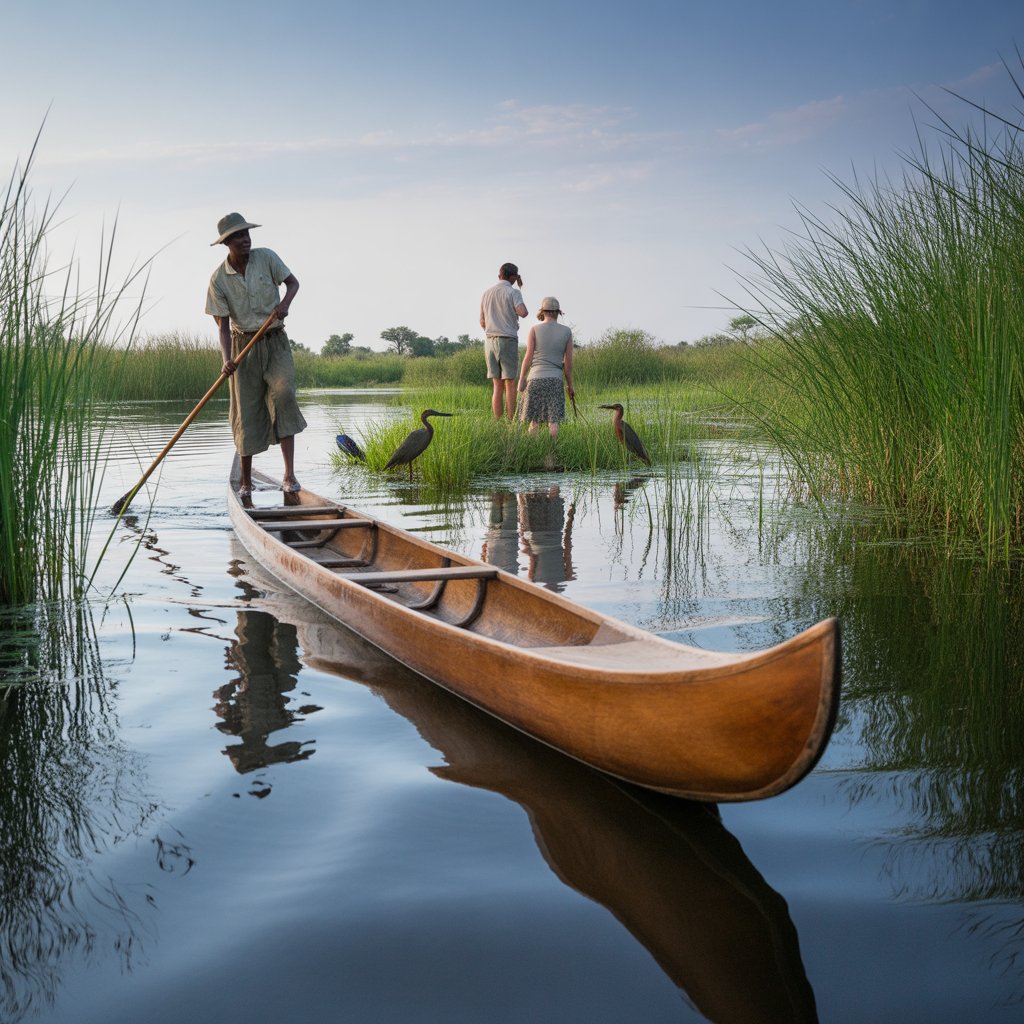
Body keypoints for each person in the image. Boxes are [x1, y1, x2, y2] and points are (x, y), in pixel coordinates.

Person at [206, 212, 307, 498]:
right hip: (243, 348)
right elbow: (222, 327)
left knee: (284, 394)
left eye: (247, 234)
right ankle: (246, 483)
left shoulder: (267, 258)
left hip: (275, 340)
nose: (245, 239)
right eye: (238, 236)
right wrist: (227, 360)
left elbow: (293, 283)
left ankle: (289, 476)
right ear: (227, 243)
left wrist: (285, 303)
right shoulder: (218, 280)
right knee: (246, 412)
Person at [516, 296, 574, 438]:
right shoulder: (567, 332)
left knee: (534, 421)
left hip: (534, 379)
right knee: (553, 421)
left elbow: (528, 357)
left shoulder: (535, 329)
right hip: (555, 380)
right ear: (558, 312)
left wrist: (522, 378)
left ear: (543, 312)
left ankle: (534, 451)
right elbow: (568, 365)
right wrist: (570, 386)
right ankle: (551, 451)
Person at [479, 262, 528, 420]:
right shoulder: (513, 292)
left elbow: (482, 322)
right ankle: (510, 422)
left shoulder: (486, 293)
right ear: (513, 277)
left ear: (500, 274)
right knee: (510, 384)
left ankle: (497, 421)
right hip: (507, 340)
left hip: (489, 342)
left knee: (497, 385)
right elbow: (523, 312)